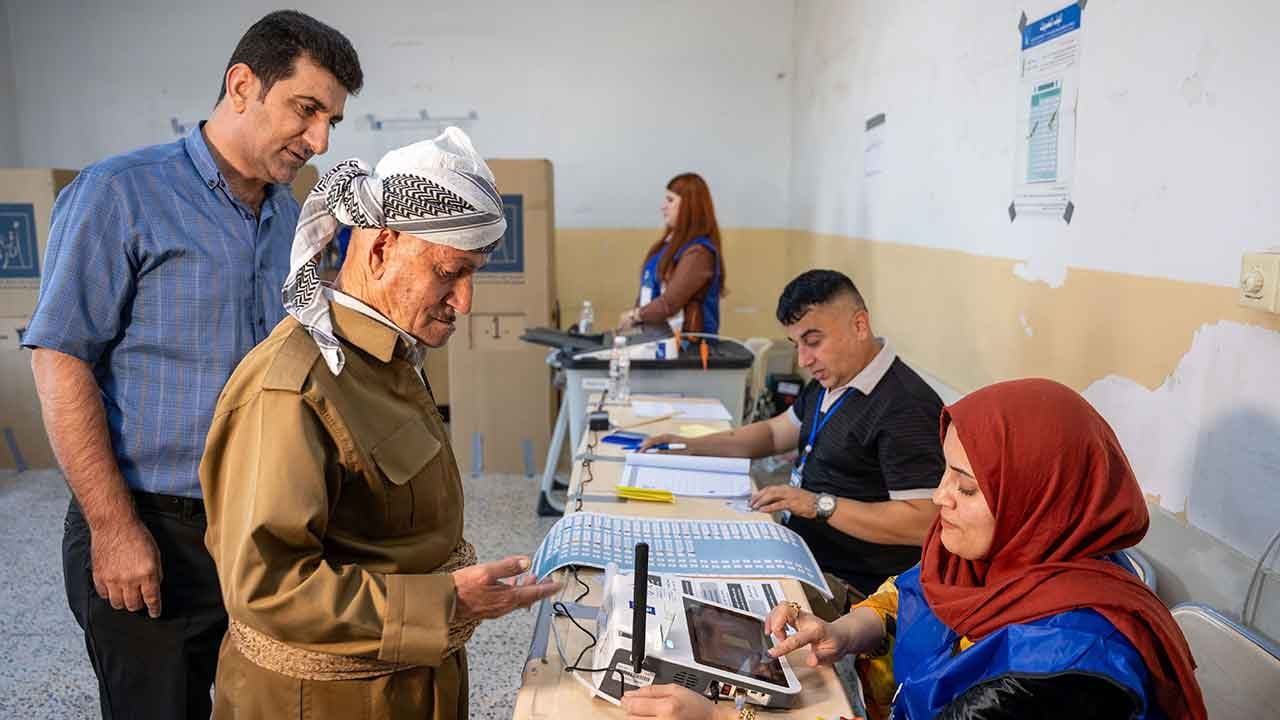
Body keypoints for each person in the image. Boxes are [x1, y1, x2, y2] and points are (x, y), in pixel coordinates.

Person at [24, 11, 362, 719]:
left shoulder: (287, 216)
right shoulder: (119, 193)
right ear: (242, 85)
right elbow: (60, 361)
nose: (320, 139)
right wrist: (114, 529)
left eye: (332, 119)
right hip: (152, 524)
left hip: (259, 526)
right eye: (307, 109)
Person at [199, 127, 562, 719]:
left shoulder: (388, 359)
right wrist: (441, 599)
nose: (465, 301)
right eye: (450, 271)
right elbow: (266, 584)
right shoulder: (292, 389)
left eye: (475, 274)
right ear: (380, 249)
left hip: (407, 685)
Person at [621, 379, 1207, 720]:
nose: (940, 498)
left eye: (967, 486)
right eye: (946, 473)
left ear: (1040, 500)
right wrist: (845, 631)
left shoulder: (1066, 665)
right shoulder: (999, 559)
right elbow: (911, 593)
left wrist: (727, 715)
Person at [640, 270, 943, 617]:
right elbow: (772, 434)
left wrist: (819, 505)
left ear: (859, 326)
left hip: (854, 586)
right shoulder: (834, 381)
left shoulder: (906, 406)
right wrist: (691, 445)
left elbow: (924, 524)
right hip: (799, 550)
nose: (803, 360)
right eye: (796, 345)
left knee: (708, 605)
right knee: (687, 553)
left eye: (813, 342)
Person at [619, 172, 726, 334]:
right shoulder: (666, 246)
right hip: (656, 340)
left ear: (689, 206)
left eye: (670, 200)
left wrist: (635, 315)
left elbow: (670, 303)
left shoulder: (699, 253)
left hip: (689, 350)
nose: (663, 206)